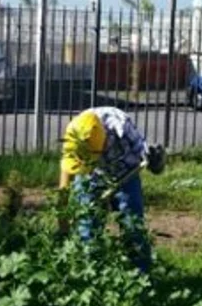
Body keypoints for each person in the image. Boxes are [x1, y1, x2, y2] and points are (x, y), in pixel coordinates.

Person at [57, 107, 165, 272]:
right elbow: (66, 178)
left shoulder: (121, 126)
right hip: (91, 176)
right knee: (87, 223)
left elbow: (144, 153)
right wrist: (62, 218)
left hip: (126, 173)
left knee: (132, 225)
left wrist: (154, 160)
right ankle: (90, 271)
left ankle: (141, 277)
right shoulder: (75, 132)